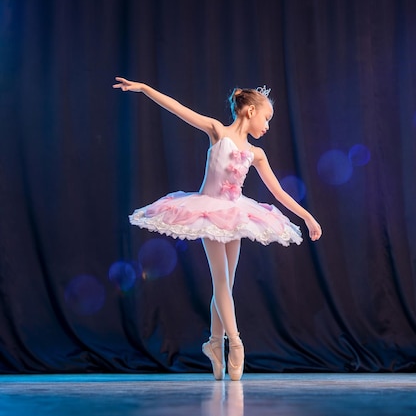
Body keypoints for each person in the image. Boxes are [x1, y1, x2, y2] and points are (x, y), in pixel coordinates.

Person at [113, 77, 322, 381]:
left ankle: (213, 344)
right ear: (249, 111)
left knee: (225, 286)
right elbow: (178, 110)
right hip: (208, 212)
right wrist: (145, 89)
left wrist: (308, 217)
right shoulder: (217, 132)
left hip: (235, 215)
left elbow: (278, 192)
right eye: (266, 118)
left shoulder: (257, 154)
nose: (267, 126)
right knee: (221, 281)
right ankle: (235, 344)